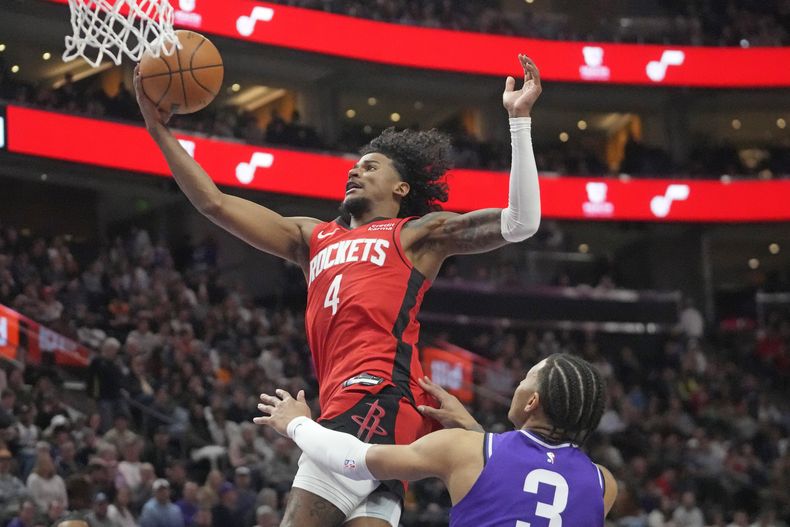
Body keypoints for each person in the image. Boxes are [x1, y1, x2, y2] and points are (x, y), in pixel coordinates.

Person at [135, 53, 543, 527]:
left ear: (401, 189)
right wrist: (158, 129)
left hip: (373, 398)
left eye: (370, 167)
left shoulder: (416, 234)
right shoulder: (312, 238)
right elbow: (214, 203)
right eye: (354, 166)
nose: (355, 171)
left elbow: (520, 222)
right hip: (362, 410)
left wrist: (518, 120)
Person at [256, 353, 618, 526]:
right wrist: (474, 430)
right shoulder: (604, 484)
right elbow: (526, 491)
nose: (518, 384)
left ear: (532, 401)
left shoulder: (467, 451)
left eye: (526, 378)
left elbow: (354, 459)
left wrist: (298, 425)